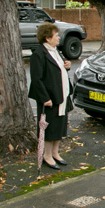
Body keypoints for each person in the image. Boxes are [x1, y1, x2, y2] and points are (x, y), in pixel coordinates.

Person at [28, 22, 72, 170]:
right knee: (49, 127)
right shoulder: (39, 54)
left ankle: (55, 153)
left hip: (62, 96)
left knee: (60, 125)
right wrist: (44, 98)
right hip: (50, 98)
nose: (59, 38)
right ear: (47, 38)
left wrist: (67, 66)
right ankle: (47, 155)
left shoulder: (56, 51)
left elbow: (60, 69)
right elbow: (36, 79)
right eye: (56, 35)